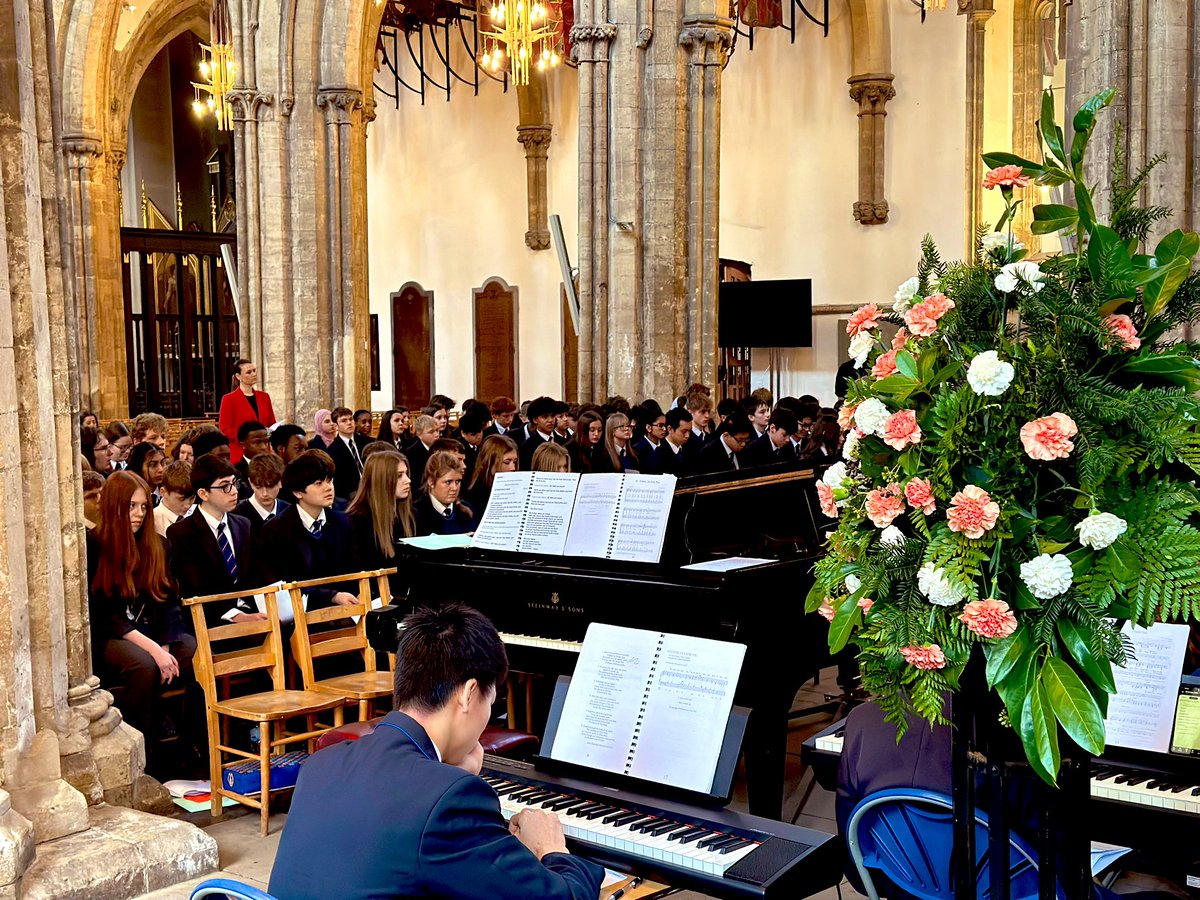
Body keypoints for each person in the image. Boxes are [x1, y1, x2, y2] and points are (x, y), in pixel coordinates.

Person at [269, 603, 603, 899]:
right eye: (492, 699)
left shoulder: (321, 763)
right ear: (469, 694)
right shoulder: (448, 798)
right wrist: (552, 849)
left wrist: (446, 777)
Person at [88, 471, 193, 742]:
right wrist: (155, 650)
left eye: (144, 506)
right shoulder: (94, 546)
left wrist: (166, 645)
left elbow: (169, 603)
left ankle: (187, 740)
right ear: (114, 506)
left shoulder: (158, 545)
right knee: (143, 665)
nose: (139, 514)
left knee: (193, 651)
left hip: (152, 628)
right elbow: (107, 616)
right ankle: (141, 741)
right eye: (131, 506)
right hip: (112, 634)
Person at [255, 451, 360, 607]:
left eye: (329, 481)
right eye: (319, 483)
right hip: (299, 613)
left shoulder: (343, 521)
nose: (328, 488)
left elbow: (354, 570)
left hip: (347, 607)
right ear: (298, 492)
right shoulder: (276, 530)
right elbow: (284, 584)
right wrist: (331, 596)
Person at [167, 454, 262, 625]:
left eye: (234, 483)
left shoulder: (243, 524)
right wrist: (236, 615)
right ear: (203, 494)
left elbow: (256, 575)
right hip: (210, 617)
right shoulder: (181, 532)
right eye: (225, 486)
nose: (234, 491)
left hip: (250, 608)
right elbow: (194, 588)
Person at [346, 451, 414, 595]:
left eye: (406, 474)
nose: (408, 480)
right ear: (382, 480)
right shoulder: (357, 521)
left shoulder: (411, 515)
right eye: (399, 476)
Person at [219, 359, 276, 465]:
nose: (254, 374)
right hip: (241, 453)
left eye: (254, 370)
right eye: (249, 372)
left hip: (264, 453)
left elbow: (271, 423)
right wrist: (248, 438)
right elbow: (225, 429)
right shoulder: (229, 399)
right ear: (238, 376)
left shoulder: (264, 397)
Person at [414, 451, 474, 536]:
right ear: (431, 481)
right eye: (448, 482)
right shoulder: (415, 514)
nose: (455, 488)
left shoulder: (467, 512)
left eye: (458, 481)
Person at [463, 435, 518, 518]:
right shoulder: (475, 496)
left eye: (515, 462)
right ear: (489, 462)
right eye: (506, 462)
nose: (513, 468)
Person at [234, 453, 290, 534]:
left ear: (280, 482)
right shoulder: (236, 516)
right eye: (258, 487)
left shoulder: (289, 512)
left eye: (270, 486)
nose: (265, 494)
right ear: (251, 483)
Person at [327, 406, 372, 500]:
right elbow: (339, 481)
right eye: (344, 421)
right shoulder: (333, 450)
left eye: (350, 419)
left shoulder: (366, 442)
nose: (349, 423)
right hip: (351, 495)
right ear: (336, 426)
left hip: (372, 487)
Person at [154, 461, 195, 537]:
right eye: (181, 499)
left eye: (192, 498)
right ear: (163, 492)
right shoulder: (152, 522)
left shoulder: (198, 516)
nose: (187, 505)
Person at [517, 397, 560, 470]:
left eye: (552, 416)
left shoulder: (564, 442)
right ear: (535, 420)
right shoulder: (527, 447)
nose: (550, 420)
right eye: (545, 417)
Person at [650, 407, 693, 476]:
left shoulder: (690, 449)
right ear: (670, 429)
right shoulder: (659, 454)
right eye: (684, 431)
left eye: (689, 431)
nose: (687, 435)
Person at [404, 414, 441, 487]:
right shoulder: (411, 454)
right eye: (431, 432)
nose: (436, 434)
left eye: (437, 430)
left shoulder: (440, 449)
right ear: (419, 434)